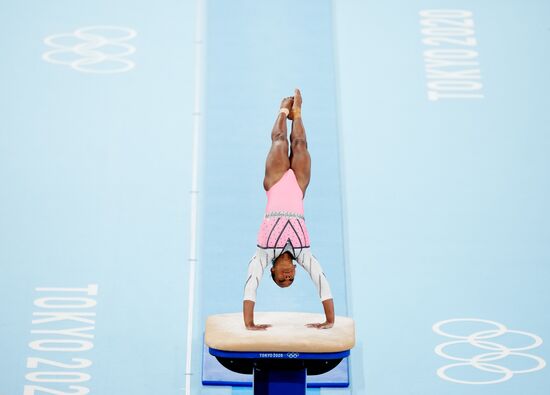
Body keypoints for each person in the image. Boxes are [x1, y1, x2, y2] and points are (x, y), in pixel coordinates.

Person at [243, 88, 334, 330]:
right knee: (301, 144)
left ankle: (283, 111)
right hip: (297, 188)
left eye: (281, 279)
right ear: (294, 269)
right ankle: (299, 113)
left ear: (272, 270)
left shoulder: (262, 255)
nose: (287, 277)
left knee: (280, 141)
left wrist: (250, 323)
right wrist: (329, 320)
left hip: (275, 183)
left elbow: (251, 284)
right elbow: (321, 280)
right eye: (290, 278)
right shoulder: (303, 253)